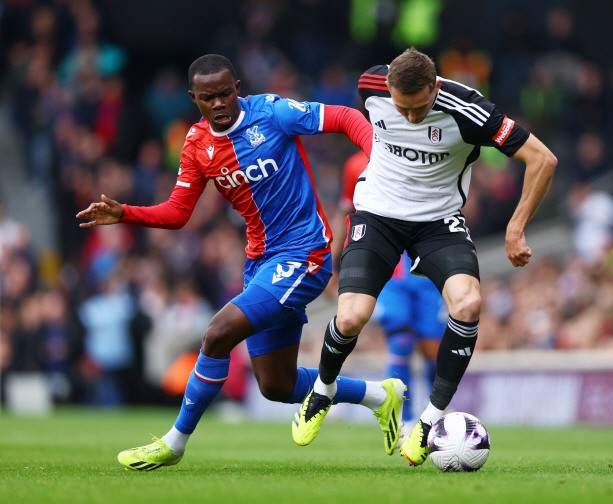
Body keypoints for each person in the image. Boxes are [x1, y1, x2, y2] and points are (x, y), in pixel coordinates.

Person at [76, 54, 407, 471]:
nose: (219, 103)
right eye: (208, 97)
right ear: (194, 98)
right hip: (260, 263)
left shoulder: (273, 112)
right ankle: (380, 395)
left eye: (225, 93)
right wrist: (126, 213)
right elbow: (178, 213)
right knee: (276, 385)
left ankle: (175, 442)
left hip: (305, 252)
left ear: (237, 87)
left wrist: (381, 160)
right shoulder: (197, 145)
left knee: (217, 333)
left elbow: (343, 116)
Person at [291, 48, 557, 465]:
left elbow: (542, 159)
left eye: (419, 109)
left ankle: (430, 422)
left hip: (437, 222)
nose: (411, 118)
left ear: (436, 86)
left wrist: (516, 225)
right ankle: (321, 393)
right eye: (402, 109)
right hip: (378, 214)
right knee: (350, 317)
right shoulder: (370, 86)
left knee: (468, 304)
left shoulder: (470, 111)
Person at [335, 151, 445, 437]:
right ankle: (404, 420)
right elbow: (347, 211)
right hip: (390, 266)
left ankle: (437, 413)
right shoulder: (356, 164)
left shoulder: (425, 150)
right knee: (402, 340)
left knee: (433, 352)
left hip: (426, 262)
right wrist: (331, 261)